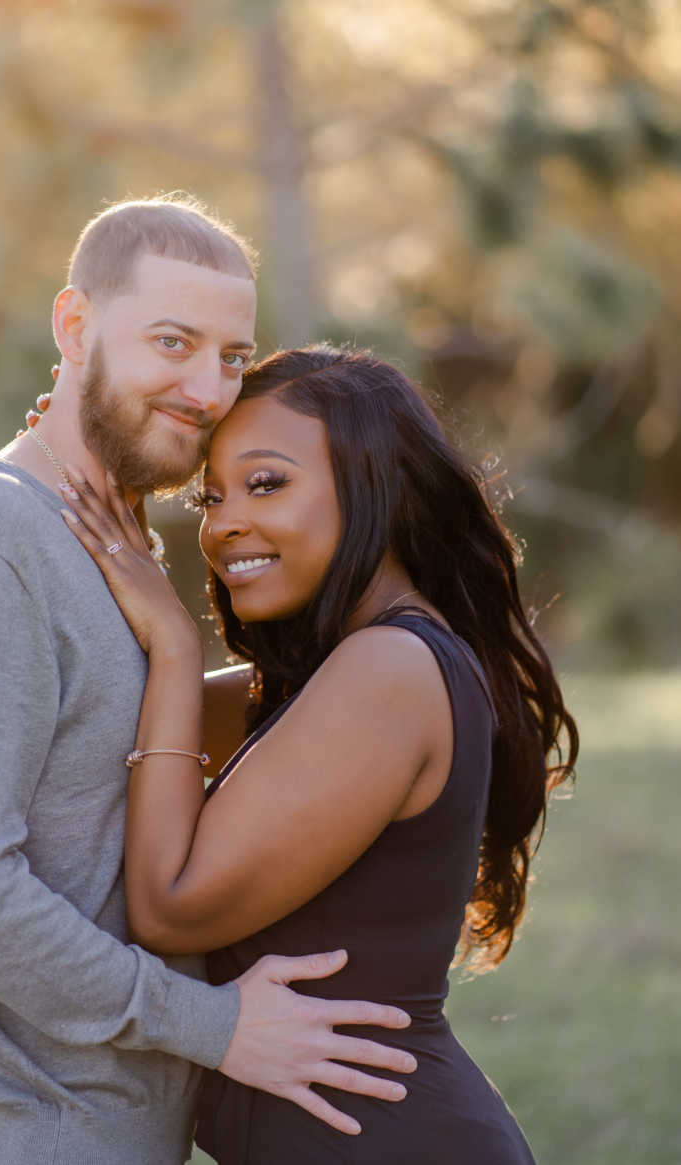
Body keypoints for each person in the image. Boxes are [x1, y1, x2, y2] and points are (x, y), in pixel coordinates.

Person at [0, 199, 418, 1165]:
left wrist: (406, 658)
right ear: (75, 328)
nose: (208, 389)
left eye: (233, 355)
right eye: (174, 341)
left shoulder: (109, 539)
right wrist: (212, 1025)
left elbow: (113, 754)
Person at [58, 344, 580, 1163]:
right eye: (211, 494)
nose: (224, 522)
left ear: (376, 485)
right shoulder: (326, 677)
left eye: (267, 483)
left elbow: (169, 904)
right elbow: (108, 725)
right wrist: (71, 447)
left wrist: (172, 644)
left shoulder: (391, 671)